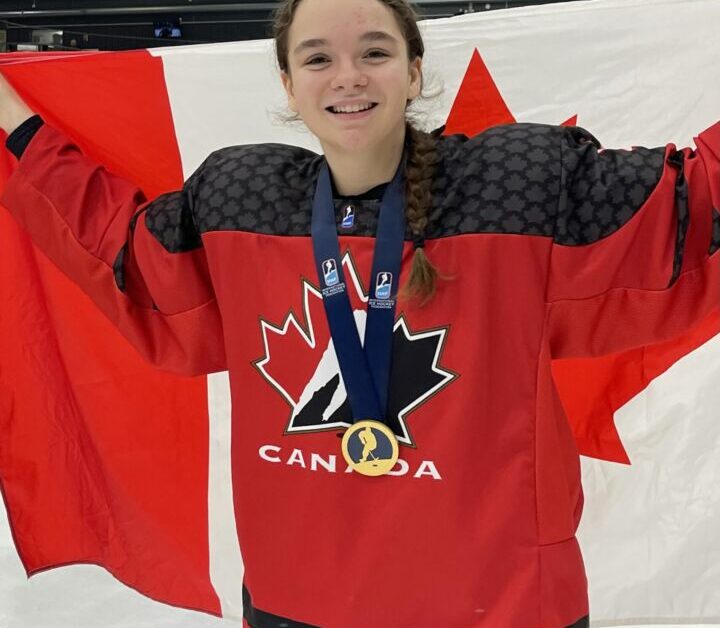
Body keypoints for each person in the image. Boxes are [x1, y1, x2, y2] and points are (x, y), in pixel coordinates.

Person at [0, 0, 718, 626]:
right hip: (296, 607)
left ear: (412, 70)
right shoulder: (239, 201)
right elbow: (118, 250)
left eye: (374, 52)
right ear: (287, 83)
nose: (348, 76)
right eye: (318, 58)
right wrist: (12, 119)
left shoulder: (518, 188)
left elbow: (696, 210)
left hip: (503, 610)